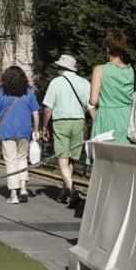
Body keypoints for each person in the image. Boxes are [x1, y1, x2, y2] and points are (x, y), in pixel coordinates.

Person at [40, 53, 92, 207]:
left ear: (61, 67)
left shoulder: (56, 83)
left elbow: (48, 108)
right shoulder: (84, 83)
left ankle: (72, 189)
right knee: (70, 159)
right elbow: (90, 105)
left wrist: (44, 127)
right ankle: (64, 193)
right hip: (79, 121)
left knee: (62, 159)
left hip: (61, 122)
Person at [0, 65, 40, 204]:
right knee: (22, 159)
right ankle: (23, 188)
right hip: (24, 130)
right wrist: (36, 129)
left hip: (7, 131)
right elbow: (35, 113)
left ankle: (13, 194)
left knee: (11, 161)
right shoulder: (29, 93)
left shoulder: (2, 93)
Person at [89, 31, 136, 144]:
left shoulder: (99, 70)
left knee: (105, 156)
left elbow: (93, 100)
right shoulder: (134, 72)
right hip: (129, 119)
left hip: (106, 119)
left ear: (107, 49)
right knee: (128, 158)